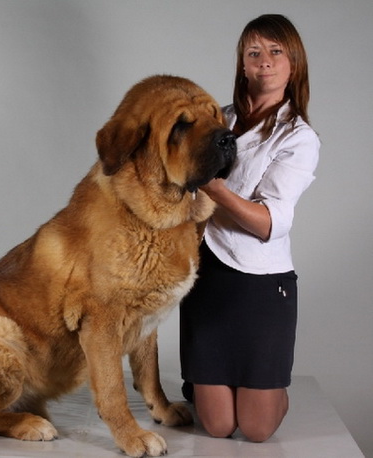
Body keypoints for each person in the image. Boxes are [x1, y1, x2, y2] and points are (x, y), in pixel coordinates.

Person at [180, 14, 320, 442]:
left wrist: (211, 186)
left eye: (276, 52)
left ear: (293, 64)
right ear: (242, 64)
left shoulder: (298, 137)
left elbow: (268, 224)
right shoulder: (216, 119)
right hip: (205, 276)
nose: (264, 61)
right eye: (254, 52)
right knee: (219, 427)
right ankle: (212, 384)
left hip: (260, 285)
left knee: (257, 431)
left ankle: (268, 387)